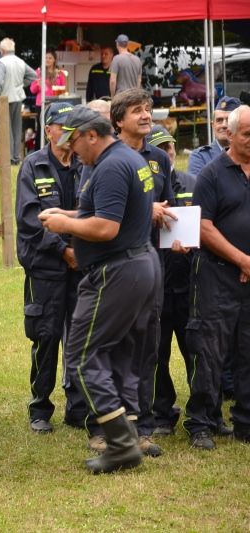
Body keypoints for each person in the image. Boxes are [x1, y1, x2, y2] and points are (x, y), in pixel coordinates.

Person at [39, 105, 161, 474]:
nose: (72, 150)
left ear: (92, 135)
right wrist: (70, 214)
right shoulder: (127, 158)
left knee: (82, 356)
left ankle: (121, 443)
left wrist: (64, 223)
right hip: (139, 264)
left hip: (117, 271)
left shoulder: (109, 166)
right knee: (119, 352)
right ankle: (128, 433)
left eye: (74, 141)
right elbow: (112, 212)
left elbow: (107, 228)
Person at [15, 102, 88, 434]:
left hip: (81, 267)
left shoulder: (86, 165)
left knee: (80, 337)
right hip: (45, 266)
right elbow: (30, 221)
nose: (68, 132)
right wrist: (63, 251)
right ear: (48, 130)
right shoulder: (33, 165)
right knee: (46, 336)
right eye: (63, 125)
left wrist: (80, 251)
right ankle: (40, 407)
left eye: (73, 126)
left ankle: (78, 406)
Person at [110, 88, 174, 457]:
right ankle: (109, 429)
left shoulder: (159, 159)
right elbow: (99, 214)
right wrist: (144, 211)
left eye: (148, 109)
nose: (147, 116)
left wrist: (177, 232)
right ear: (119, 121)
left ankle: (143, 427)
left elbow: (172, 202)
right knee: (115, 347)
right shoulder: (107, 158)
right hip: (117, 268)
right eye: (137, 111)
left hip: (153, 267)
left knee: (148, 348)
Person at [184, 105, 250, 450]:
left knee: (248, 350)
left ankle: (245, 421)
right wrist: (241, 260)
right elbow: (202, 226)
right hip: (217, 276)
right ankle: (202, 422)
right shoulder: (212, 173)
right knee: (210, 349)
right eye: (246, 135)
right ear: (231, 134)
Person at [143, 125, 199, 437]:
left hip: (188, 279)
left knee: (195, 349)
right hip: (158, 281)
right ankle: (162, 412)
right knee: (158, 352)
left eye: (170, 147)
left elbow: (205, 224)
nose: (167, 153)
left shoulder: (193, 182)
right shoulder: (145, 191)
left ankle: (202, 411)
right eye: (160, 148)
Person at [0, 38, 37, 165]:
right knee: (16, 128)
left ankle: (9, 157)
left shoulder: (1, 62)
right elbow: (33, 75)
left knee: (6, 128)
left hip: (4, 98)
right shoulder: (21, 61)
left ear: (2, 50)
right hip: (18, 97)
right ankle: (16, 156)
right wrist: (20, 85)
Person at [188, 96, 241, 176]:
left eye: (229, 120)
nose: (224, 125)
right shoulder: (200, 157)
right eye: (219, 120)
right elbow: (197, 187)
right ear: (213, 125)